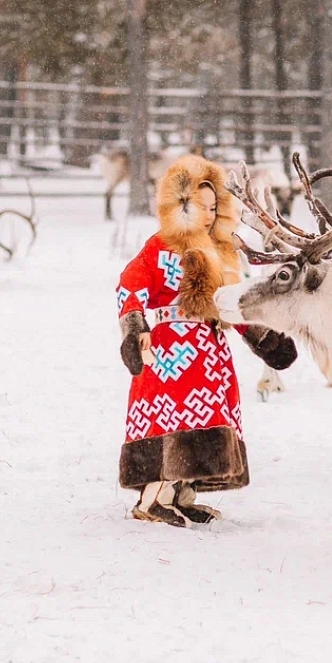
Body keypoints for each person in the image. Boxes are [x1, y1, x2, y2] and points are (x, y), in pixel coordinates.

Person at [116, 154, 297, 527]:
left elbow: (233, 300)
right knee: (171, 420)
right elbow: (129, 285)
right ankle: (153, 500)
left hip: (209, 355)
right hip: (169, 353)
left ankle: (184, 494)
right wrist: (135, 329)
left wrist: (263, 337)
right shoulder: (160, 246)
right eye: (202, 207)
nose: (210, 215)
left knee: (203, 419)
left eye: (215, 207)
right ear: (181, 205)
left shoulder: (222, 252)